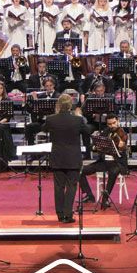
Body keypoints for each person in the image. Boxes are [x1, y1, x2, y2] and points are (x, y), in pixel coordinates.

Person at [43, 94, 88, 223]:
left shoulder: (51, 119)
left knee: (58, 186)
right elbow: (87, 131)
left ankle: (60, 214)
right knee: (72, 186)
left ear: (58, 105)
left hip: (58, 157)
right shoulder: (77, 120)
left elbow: (44, 129)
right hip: (73, 158)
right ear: (70, 106)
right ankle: (68, 215)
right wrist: (80, 116)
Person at [79, 115, 129, 209]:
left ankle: (105, 199)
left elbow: (123, 148)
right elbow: (94, 145)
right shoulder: (106, 132)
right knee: (80, 171)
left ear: (118, 121)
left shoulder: (123, 133)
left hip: (117, 163)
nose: (112, 125)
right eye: (109, 124)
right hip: (104, 162)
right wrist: (95, 147)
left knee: (113, 172)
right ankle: (89, 195)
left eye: (114, 123)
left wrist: (122, 147)